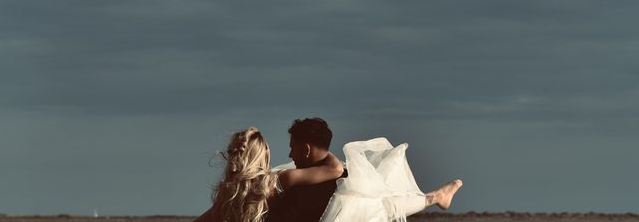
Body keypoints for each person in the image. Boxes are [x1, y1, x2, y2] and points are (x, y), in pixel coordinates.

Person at [194, 118, 462, 222]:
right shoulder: (277, 180)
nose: (288, 154)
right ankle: (435, 197)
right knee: (382, 205)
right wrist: (323, 148)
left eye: (293, 147)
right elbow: (334, 168)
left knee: (381, 204)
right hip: (340, 207)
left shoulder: (227, 196)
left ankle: (436, 197)